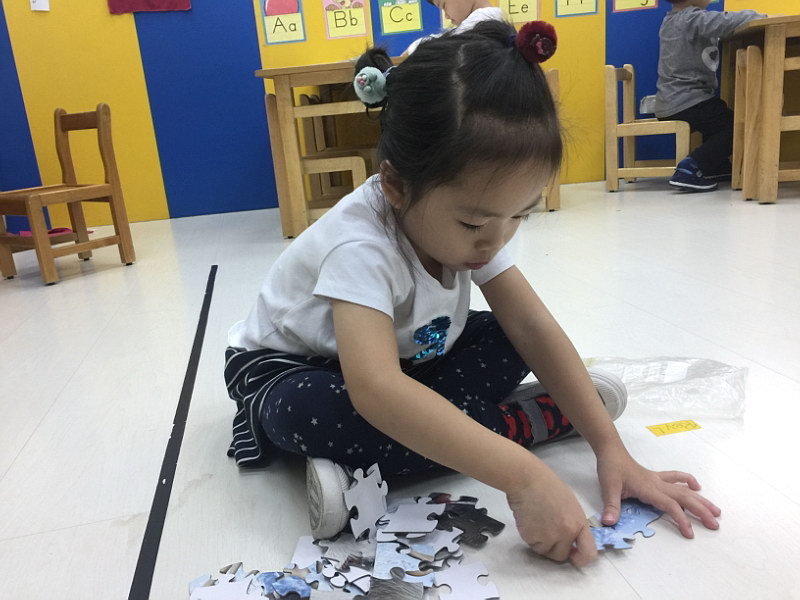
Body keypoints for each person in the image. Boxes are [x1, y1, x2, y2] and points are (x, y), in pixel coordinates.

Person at [225, 19, 720, 567]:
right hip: (296, 369)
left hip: (404, 358)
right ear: (396, 186)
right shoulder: (359, 245)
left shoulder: (481, 223)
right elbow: (375, 389)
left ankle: (418, 443)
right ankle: (515, 425)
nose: (496, 240)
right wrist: (524, 475)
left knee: (508, 336)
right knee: (309, 411)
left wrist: (610, 448)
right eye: (475, 224)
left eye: (519, 216)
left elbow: (531, 326)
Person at [655, 0, 767, 192]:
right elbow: (726, 21)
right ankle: (691, 167)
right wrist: (759, 16)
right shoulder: (691, 18)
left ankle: (716, 166)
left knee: (718, 116)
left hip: (675, 100)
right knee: (737, 126)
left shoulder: (674, 20)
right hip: (686, 100)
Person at [403, 0, 503, 55]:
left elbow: (439, 47)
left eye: (444, 5)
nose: (446, 16)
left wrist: (414, 48)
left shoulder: (484, 24)